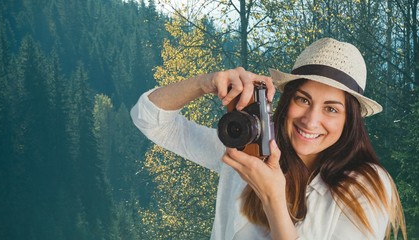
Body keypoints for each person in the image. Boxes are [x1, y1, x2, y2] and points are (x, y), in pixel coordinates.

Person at [130, 38, 407, 239]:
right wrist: (205, 83)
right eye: (303, 99)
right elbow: (150, 119)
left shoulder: (367, 186)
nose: (310, 120)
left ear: (350, 120)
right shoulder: (247, 153)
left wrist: (272, 196)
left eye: (331, 109)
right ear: (287, 101)